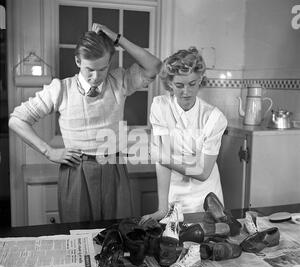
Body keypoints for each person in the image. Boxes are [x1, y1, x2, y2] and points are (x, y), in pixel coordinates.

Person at [9, 23, 161, 223]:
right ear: (78, 61)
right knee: (76, 234)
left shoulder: (120, 81)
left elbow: (154, 66)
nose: (96, 76)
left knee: (119, 234)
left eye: (103, 68)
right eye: (90, 69)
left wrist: (117, 38)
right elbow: (16, 119)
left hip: (114, 168)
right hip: (76, 170)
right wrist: (48, 151)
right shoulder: (61, 89)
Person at [141, 47, 227, 223]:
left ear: (200, 79)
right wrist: (162, 208)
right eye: (179, 85)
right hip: (174, 193)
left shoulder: (214, 118)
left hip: (206, 197)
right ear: (170, 83)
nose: (186, 92)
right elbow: (163, 163)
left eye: (192, 84)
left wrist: (164, 158)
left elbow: (203, 172)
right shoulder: (160, 106)